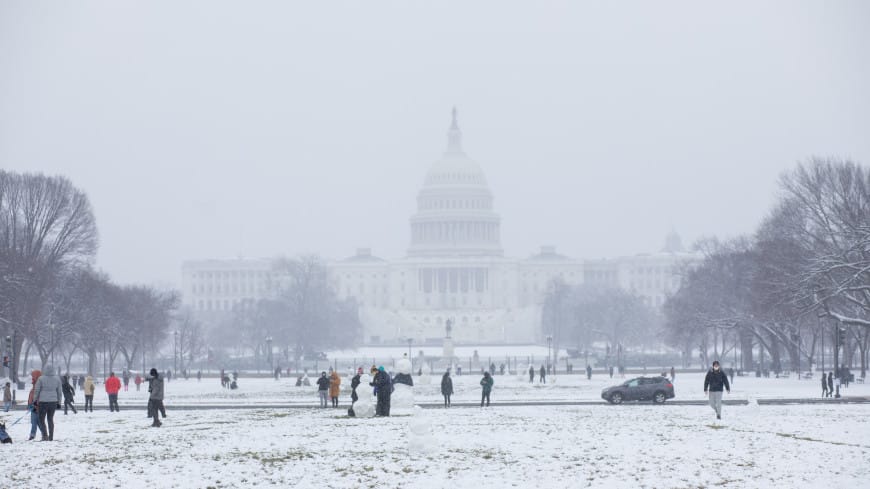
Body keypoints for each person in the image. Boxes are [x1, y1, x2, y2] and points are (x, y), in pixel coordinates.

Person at [34, 364, 62, 441]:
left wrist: (35, 400)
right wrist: (59, 402)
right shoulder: (57, 379)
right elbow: (59, 392)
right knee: (50, 419)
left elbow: (37, 390)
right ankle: (51, 437)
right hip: (53, 401)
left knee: (41, 419)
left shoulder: (41, 379)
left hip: (43, 401)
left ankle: (45, 435)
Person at [27, 369, 41, 440]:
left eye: (33, 376)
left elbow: (38, 396)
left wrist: (36, 405)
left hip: (36, 406)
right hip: (33, 405)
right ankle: (43, 433)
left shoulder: (39, 385)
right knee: (36, 422)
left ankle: (33, 435)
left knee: (35, 422)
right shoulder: (35, 384)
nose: (32, 377)